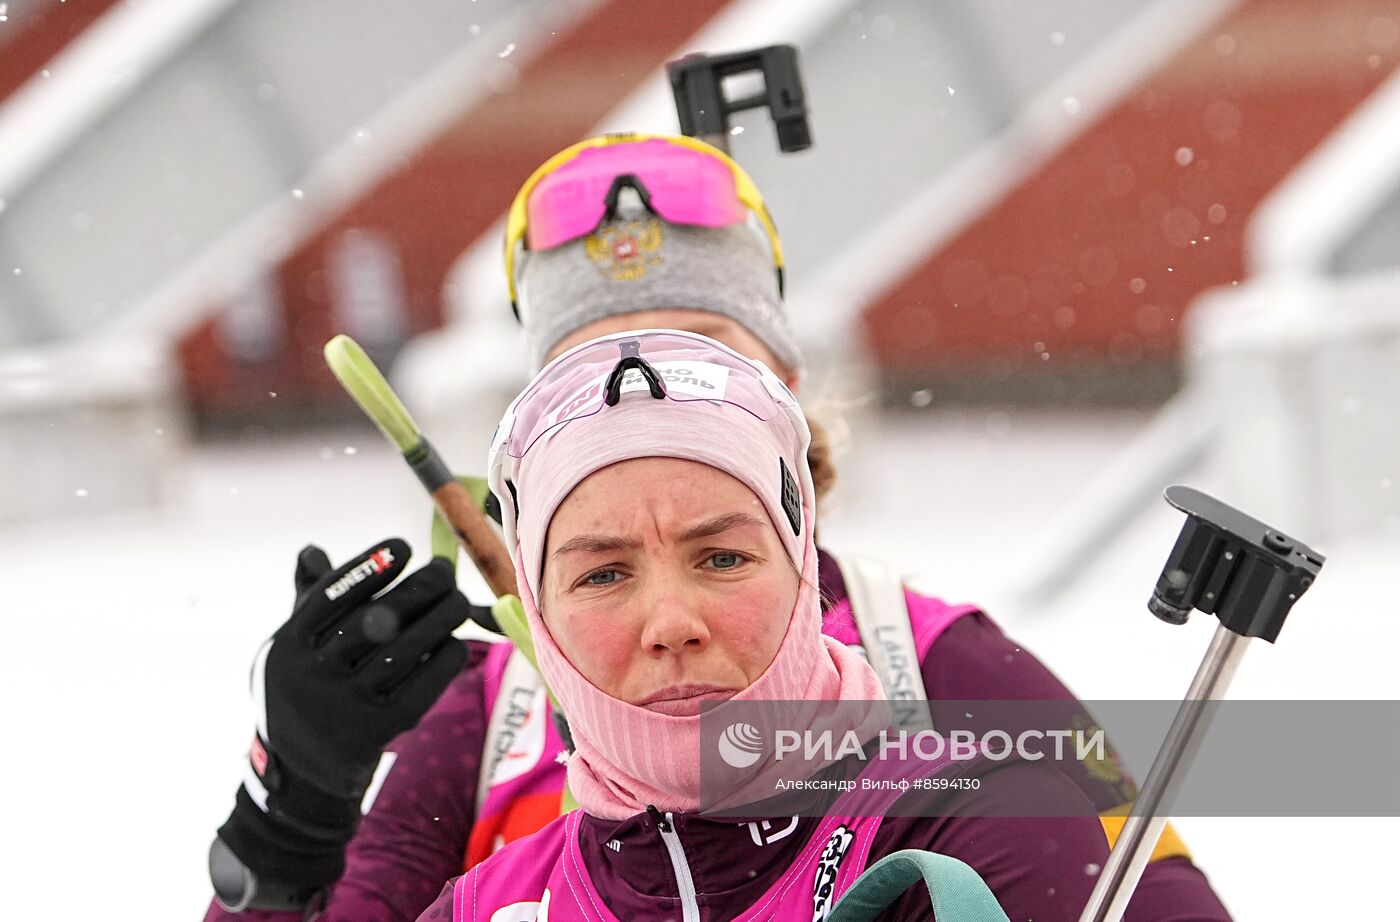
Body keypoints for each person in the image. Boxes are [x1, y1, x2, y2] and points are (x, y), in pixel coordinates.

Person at [205, 134, 1230, 920]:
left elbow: (1133, 878)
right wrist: (291, 807)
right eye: (594, 372)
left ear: (783, 392)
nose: (643, 406)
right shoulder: (492, 718)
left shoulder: (929, 663)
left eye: (698, 357)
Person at [420, 327, 1113, 919]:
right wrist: (312, 803)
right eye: (603, 574)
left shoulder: (980, 826)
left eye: (722, 558)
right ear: (542, 616)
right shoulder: (487, 905)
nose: (672, 622)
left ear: (804, 572)